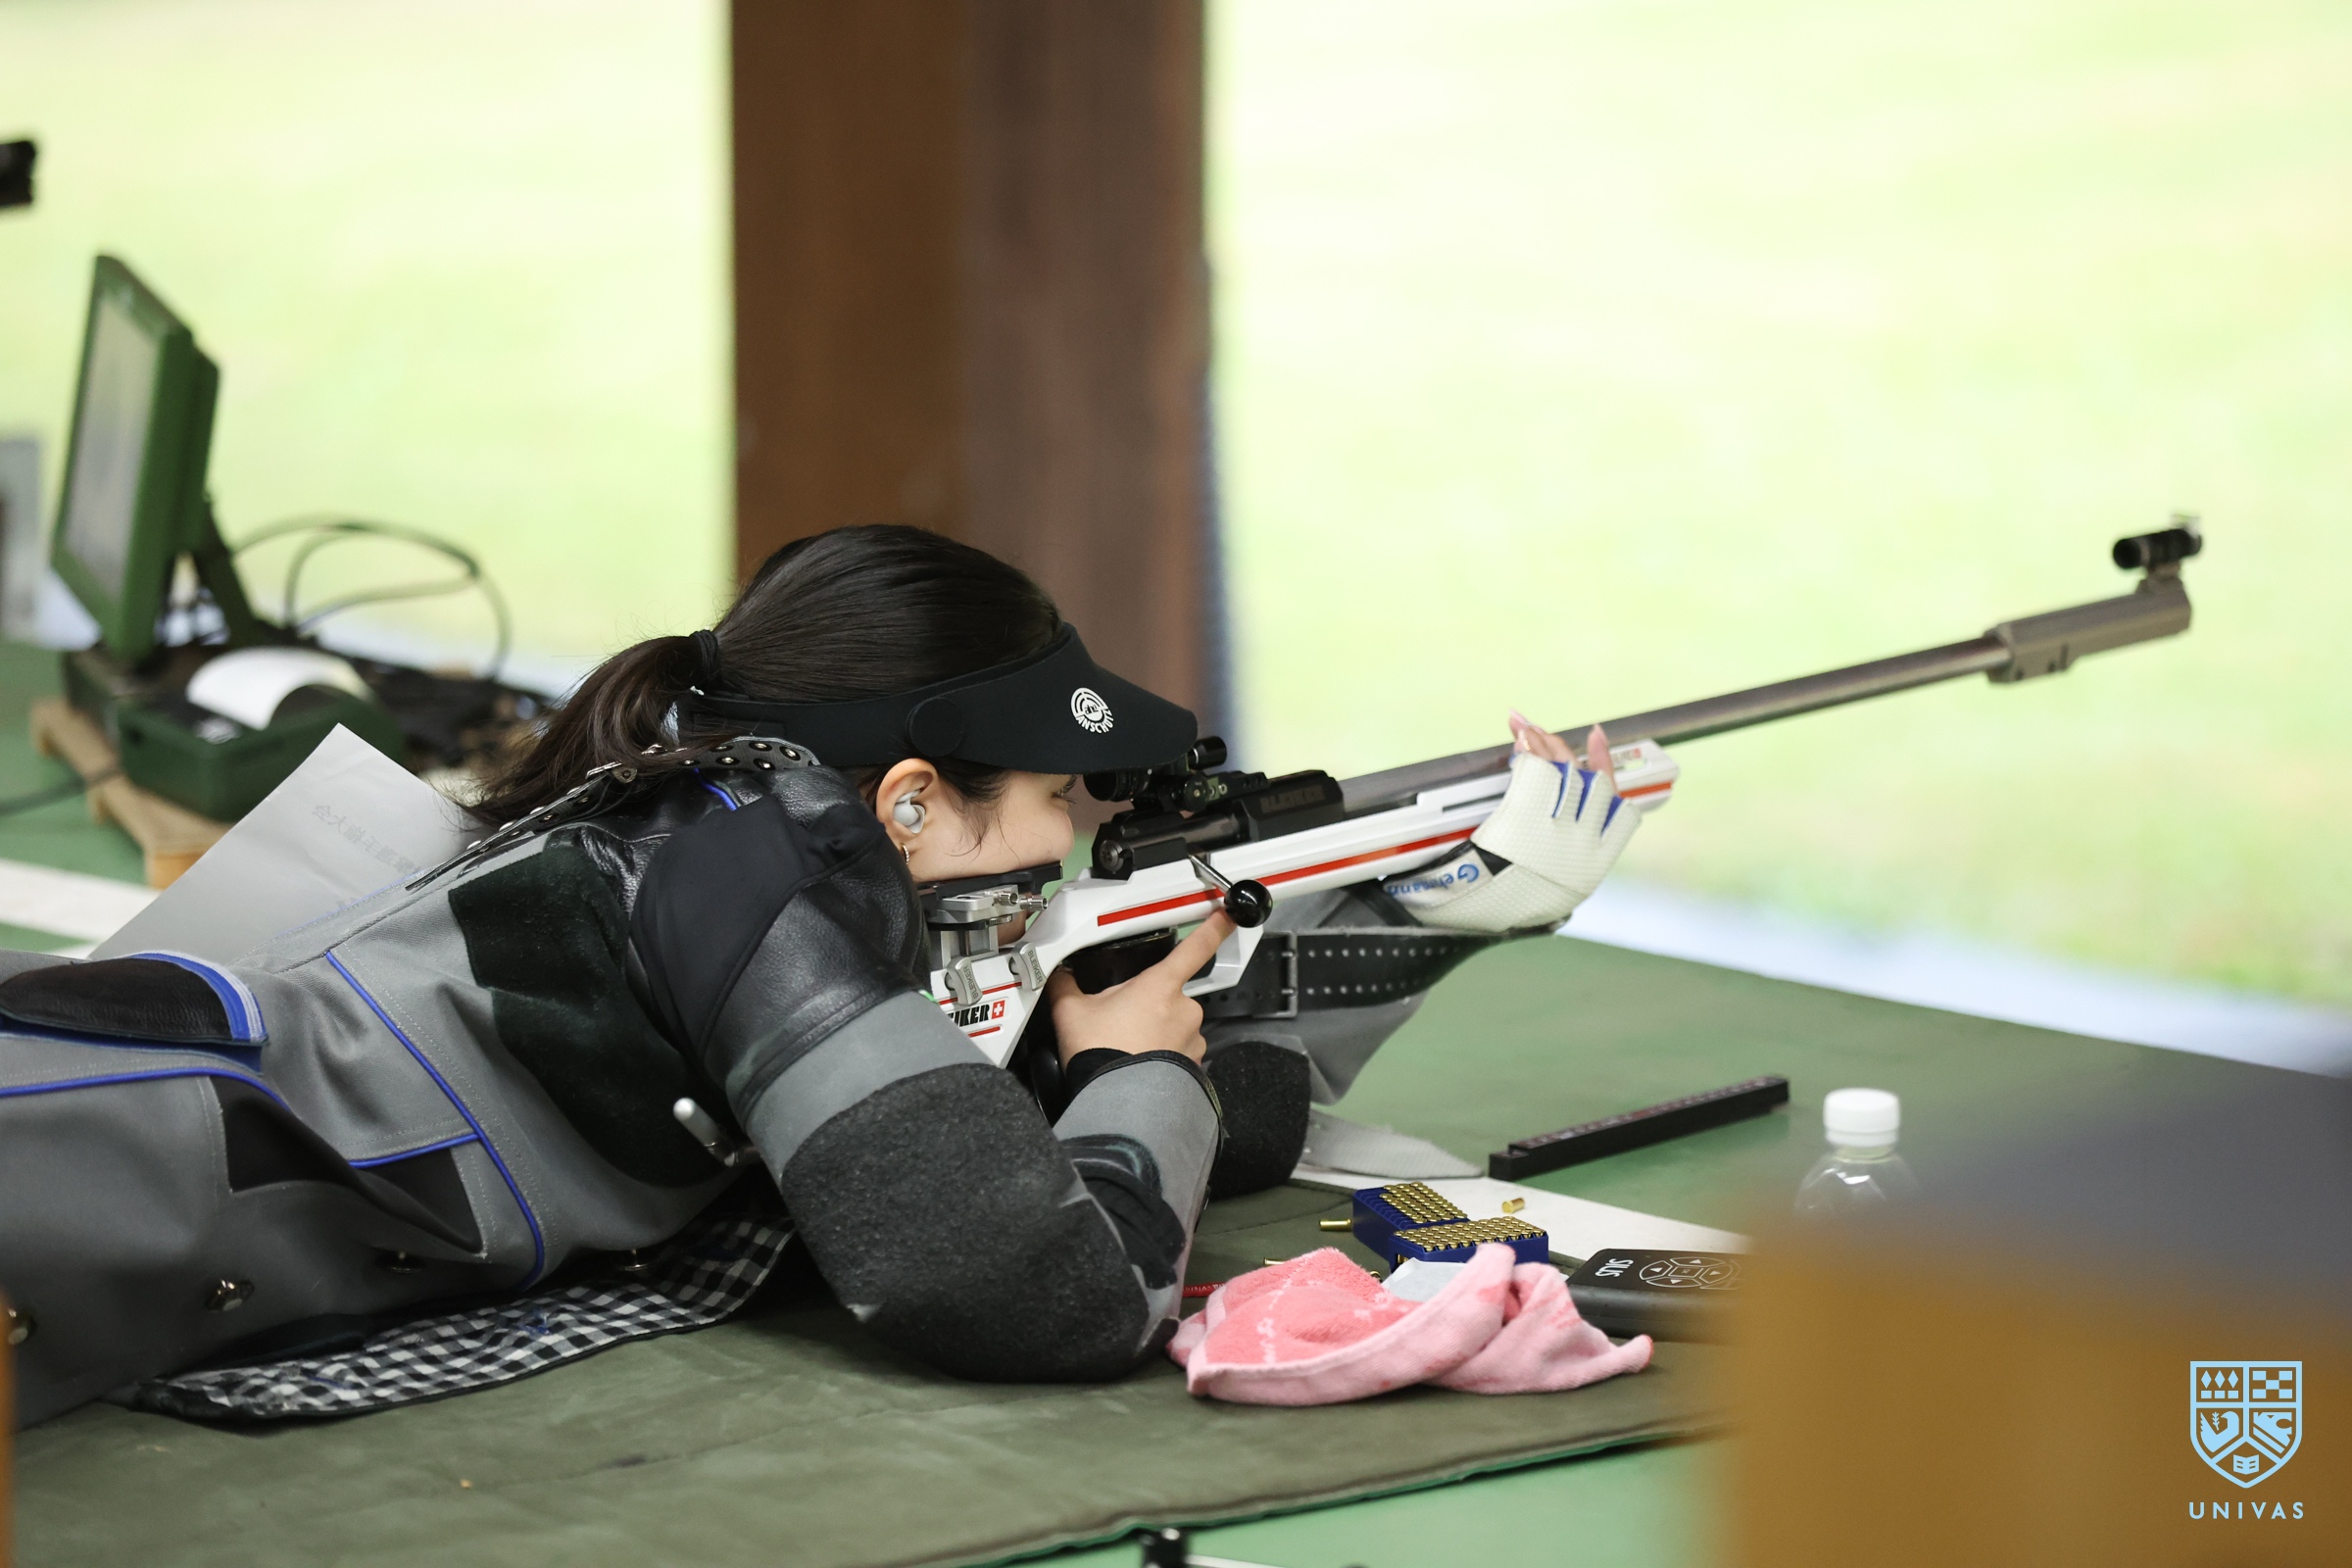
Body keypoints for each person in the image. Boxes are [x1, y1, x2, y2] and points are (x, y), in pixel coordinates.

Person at [0, 524, 1643, 1425]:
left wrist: (1433, 922)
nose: (1082, 837)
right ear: (909, 803)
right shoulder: (772, 886)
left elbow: (1182, 1114)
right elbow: (1043, 1289)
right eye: (1060, 798)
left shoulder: (706, 811)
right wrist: (1138, 1071)